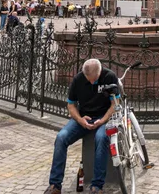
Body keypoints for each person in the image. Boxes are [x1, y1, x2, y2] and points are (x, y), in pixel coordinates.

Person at [44, 59, 118, 194]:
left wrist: (103, 120)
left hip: (104, 118)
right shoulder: (78, 79)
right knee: (61, 137)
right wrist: (80, 119)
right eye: (88, 79)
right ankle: (55, 185)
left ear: (99, 72)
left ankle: (97, 186)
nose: (91, 82)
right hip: (83, 118)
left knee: (101, 138)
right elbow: (71, 105)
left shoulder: (109, 77)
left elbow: (114, 104)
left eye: (94, 80)